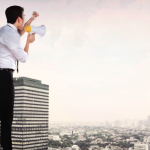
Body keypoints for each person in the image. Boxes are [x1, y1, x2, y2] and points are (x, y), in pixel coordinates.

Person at [0, 5, 39, 150]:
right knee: (6, 117)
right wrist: (29, 42)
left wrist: (31, 19)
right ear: (18, 18)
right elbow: (23, 58)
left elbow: (20, 30)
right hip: (4, 76)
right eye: (23, 17)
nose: (24, 20)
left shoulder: (5, 30)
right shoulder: (11, 35)